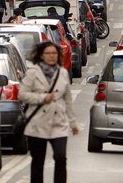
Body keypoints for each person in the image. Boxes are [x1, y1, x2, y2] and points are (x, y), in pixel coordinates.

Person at [19, 41, 78, 183]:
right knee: (38, 161)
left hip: (59, 123)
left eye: (54, 53)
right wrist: (42, 98)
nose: (52, 56)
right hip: (37, 123)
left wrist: (73, 123)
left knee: (60, 157)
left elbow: (68, 100)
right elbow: (22, 94)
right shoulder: (33, 73)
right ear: (41, 55)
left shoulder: (62, 73)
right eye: (48, 53)